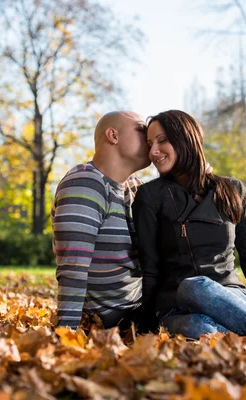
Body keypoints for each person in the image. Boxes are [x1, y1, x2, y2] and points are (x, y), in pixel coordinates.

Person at [132, 109, 246, 339]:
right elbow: (150, 267)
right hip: (176, 306)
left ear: (186, 139)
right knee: (199, 326)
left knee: (197, 287)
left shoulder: (234, 191)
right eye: (149, 143)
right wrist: (145, 328)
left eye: (162, 141)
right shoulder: (150, 196)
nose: (154, 151)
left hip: (232, 298)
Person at [51, 111, 151, 330]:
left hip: (143, 307)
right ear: (113, 136)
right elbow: (73, 267)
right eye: (142, 130)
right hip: (112, 317)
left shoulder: (136, 188)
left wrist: (198, 178)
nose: (150, 136)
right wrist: (67, 336)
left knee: (197, 295)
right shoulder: (85, 182)